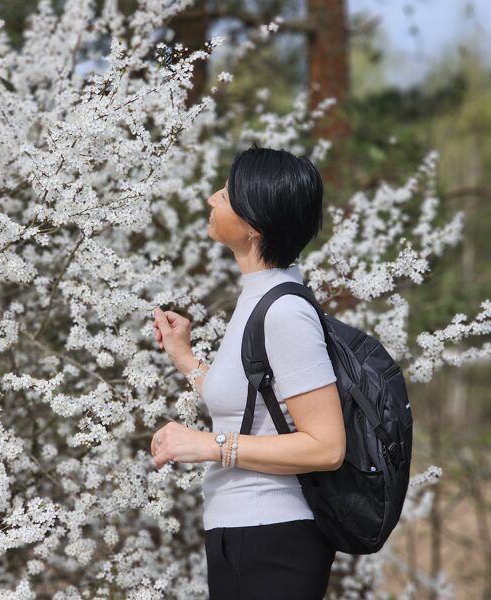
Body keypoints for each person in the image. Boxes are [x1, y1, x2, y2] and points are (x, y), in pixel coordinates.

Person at [151, 144, 345, 600]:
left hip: (273, 540)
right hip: (242, 535)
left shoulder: (285, 312)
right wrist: (185, 357)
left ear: (254, 225)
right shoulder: (259, 297)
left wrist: (208, 445)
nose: (211, 199)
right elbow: (248, 404)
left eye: (225, 193)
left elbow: (327, 446)